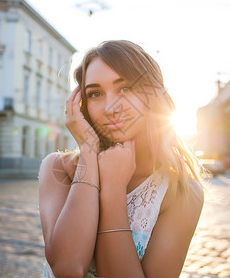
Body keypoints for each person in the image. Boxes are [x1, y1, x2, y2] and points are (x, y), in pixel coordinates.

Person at [39, 40, 205, 277]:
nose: (110, 107)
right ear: (81, 106)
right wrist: (88, 150)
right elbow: (68, 268)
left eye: (125, 88)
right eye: (95, 94)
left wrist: (113, 188)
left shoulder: (180, 193)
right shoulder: (58, 169)